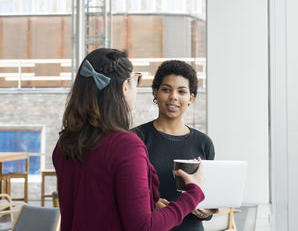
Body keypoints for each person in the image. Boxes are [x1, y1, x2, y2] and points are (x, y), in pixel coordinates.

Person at [52, 48, 205, 231]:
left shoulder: (65, 144)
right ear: (125, 86)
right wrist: (193, 194)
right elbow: (144, 227)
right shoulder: (126, 146)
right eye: (136, 80)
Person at [134, 60, 216, 231]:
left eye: (182, 91)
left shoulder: (204, 143)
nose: (173, 97)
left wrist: (207, 212)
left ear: (191, 98)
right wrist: (149, 204)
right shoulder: (135, 139)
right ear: (155, 93)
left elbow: (207, 195)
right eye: (166, 89)